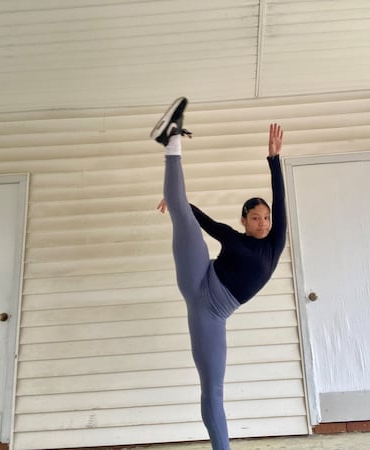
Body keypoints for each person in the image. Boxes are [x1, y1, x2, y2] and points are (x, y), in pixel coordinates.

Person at [151, 97, 286, 450]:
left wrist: (273, 159)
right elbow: (205, 221)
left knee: (212, 389)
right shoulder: (232, 235)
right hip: (200, 276)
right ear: (244, 220)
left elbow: (280, 199)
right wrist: (180, 203)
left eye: (266, 218)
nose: (262, 222)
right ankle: (173, 140)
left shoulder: (273, 244)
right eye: (255, 217)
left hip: (210, 314)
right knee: (183, 214)